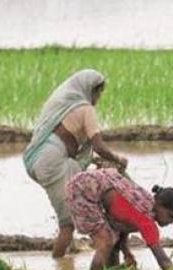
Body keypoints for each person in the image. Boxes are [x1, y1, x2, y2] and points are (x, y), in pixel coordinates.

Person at [23, 69, 129, 258]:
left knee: (71, 204)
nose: (98, 97)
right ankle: (59, 267)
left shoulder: (69, 108)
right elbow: (98, 146)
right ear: (89, 90)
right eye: (98, 92)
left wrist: (99, 161)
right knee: (68, 224)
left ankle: (68, 254)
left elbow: (80, 150)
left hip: (45, 158)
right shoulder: (86, 109)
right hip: (53, 160)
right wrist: (118, 159)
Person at [64, 168, 173, 270]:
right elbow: (163, 260)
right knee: (105, 242)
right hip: (83, 190)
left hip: (87, 183)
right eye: (170, 216)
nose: (171, 221)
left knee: (112, 238)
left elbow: (123, 224)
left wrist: (126, 252)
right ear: (159, 204)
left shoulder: (145, 201)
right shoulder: (147, 220)